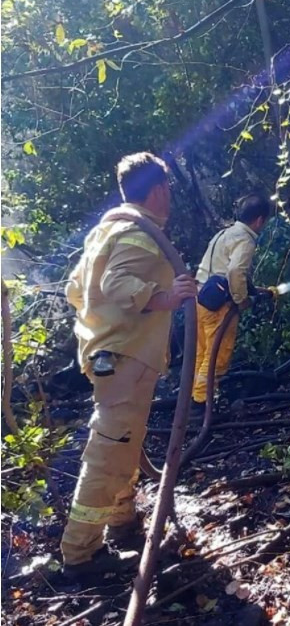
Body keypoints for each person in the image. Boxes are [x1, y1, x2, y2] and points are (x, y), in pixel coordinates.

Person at [60, 153, 197, 577]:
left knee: (124, 443)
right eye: (168, 189)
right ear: (158, 190)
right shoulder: (140, 232)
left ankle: (122, 523)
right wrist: (166, 298)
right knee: (110, 452)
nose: (169, 197)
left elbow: (74, 291)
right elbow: (116, 285)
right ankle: (80, 554)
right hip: (126, 357)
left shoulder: (106, 230)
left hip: (109, 354)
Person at [192, 191, 272, 411]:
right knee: (217, 355)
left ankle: (195, 398)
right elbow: (236, 271)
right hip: (219, 306)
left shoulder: (225, 234)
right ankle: (202, 404)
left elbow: (226, 269)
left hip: (199, 299)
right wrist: (242, 300)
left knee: (201, 353)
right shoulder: (246, 239)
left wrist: (255, 290)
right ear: (259, 220)